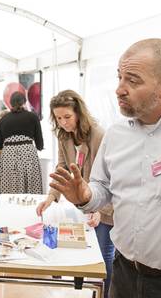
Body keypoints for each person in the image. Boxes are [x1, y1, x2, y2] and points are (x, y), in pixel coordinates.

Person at [50, 38, 161, 298]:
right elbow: (103, 186)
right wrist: (86, 196)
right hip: (123, 273)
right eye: (119, 77)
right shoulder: (116, 133)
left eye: (132, 80)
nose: (119, 89)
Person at [35, 89, 114, 298]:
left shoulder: (99, 135)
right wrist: (50, 198)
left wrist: (101, 209)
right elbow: (62, 169)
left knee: (104, 255)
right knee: (90, 253)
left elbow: (110, 178)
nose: (63, 122)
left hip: (105, 205)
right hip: (84, 202)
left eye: (67, 117)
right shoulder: (64, 136)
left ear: (79, 113)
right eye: (58, 118)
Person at [0, 91, 44, 204]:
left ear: (10, 103)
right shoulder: (33, 117)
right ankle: (31, 213)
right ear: (24, 102)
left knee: (9, 188)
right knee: (31, 186)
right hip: (28, 154)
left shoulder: (3, 120)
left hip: (8, 156)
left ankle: (11, 214)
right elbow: (40, 144)